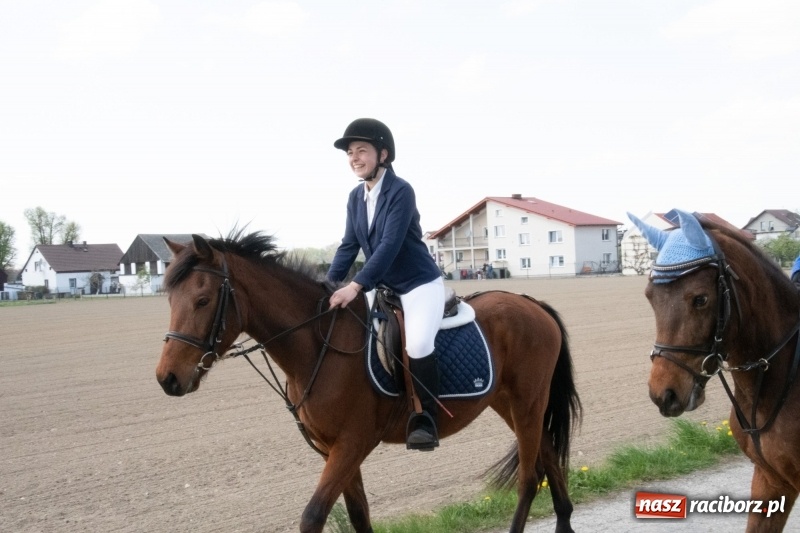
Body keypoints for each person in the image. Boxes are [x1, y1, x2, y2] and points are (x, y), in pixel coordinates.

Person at [327, 118, 445, 451]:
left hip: (418, 284)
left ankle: (427, 419)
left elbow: (389, 245)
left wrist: (356, 286)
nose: (354, 158)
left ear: (383, 154)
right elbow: (349, 246)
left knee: (418, 345)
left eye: (361, 150)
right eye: (350, 152)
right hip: (384, 287)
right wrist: (329, 286)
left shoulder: (401, 191)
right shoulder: (355, 197)